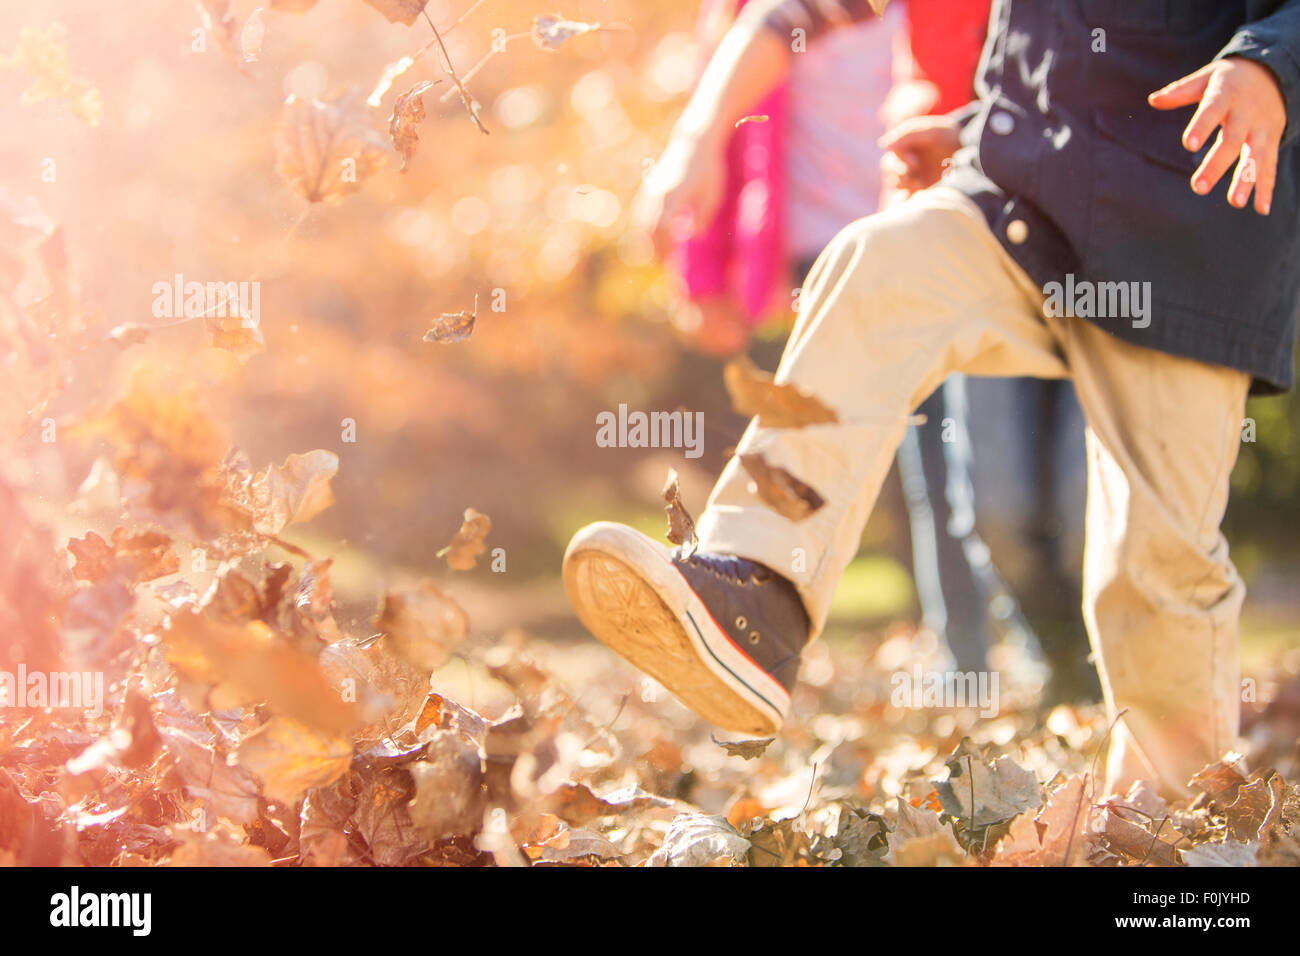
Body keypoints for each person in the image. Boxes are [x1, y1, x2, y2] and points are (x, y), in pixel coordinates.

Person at [566, 0, 1297, 799]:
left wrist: (1270, 60)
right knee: (876, 266)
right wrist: (974, 127)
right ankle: (758, 594)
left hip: (1186, 235)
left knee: (1157, 564)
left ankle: (1171, 822)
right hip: (1021, 205)